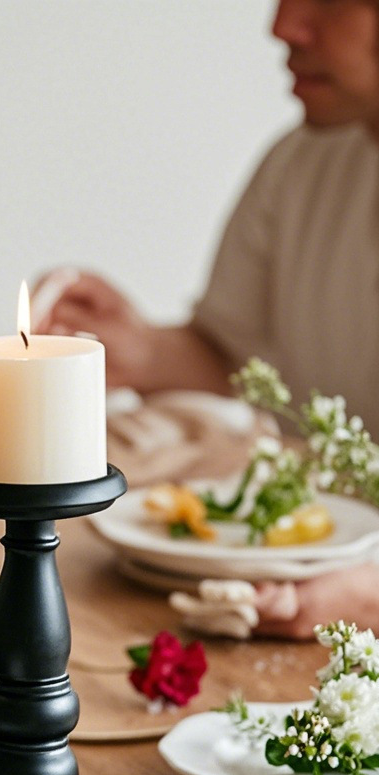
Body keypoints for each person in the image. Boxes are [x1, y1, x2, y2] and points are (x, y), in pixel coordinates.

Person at [32, 0, 379, 639]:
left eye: (329, 1)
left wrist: (368, 596)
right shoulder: (304, 162)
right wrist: (140, 351)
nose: (284, 26)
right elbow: (233, 360)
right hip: (289, 574)